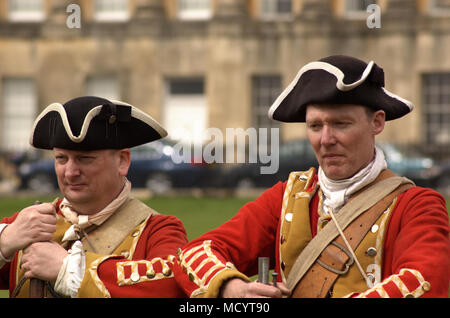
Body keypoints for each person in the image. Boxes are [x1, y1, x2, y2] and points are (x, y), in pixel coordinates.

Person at [173, 55, 450, 298]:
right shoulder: (286, 198)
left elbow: (420, 283)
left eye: (341, 124)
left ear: (377, 122)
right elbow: (195, 253)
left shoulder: (417, 206)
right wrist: (232, 287)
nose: (326, 139)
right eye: (315, 126)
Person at [0, 96, 188, 297]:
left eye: (85, 159)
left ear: (122, 161)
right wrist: (5, 241)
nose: (70, 172)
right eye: (61, 158)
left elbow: (169, 288)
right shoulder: (28, 225)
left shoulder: (157, 231)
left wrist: (68, 270)